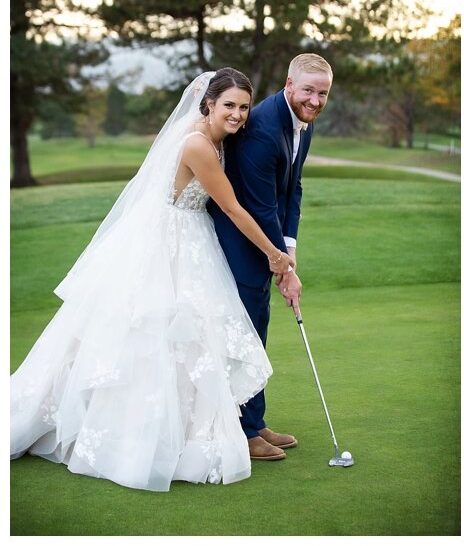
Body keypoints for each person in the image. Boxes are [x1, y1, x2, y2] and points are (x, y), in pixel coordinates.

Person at [10, 69, 293, 491]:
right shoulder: (198, 144)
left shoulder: (218, 138)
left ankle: (239, 425)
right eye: (229, 105)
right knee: (161, 335)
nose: (237, 114)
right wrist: (275, 254)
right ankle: (152, 433)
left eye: (243, 107)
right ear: (208, 104)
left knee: (195, 337)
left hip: (193, 237)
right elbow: (232, 208)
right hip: (172, 243)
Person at [210, 53, 331, 462]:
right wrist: (281, 264)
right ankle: (241, 433)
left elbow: (291, 191)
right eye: (308, 91)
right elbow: (261, 207)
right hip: (239, 243)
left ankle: (255, 422)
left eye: (323, 93)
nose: (315, 101)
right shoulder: (262, 128)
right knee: (243, 337)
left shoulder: (302, 123)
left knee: (255, 332)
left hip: (264, 240)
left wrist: (289, 254)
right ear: (289, 84)